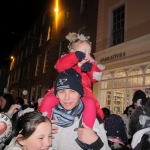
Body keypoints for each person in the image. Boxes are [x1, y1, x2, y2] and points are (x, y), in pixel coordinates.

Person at [39, 32, 105, 129]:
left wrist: (90, 69)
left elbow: (96, 77)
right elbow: (60, 66)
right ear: (73, 51)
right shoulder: (68, 61)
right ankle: (43, 126)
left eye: (89, 52)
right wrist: (74, 57)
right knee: (48, 100)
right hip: (63, 90)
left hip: (83, 93)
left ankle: (87, 129)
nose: (87, 55)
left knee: (90, 103)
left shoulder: (89, 63)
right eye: (83, 52)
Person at [51, 68, 110, 150]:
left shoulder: (94, 120)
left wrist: (96, 142)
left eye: (72, 91)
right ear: (56, 95)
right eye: (62, 92)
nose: (67, 97)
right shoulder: (49, 119)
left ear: (80, 94)